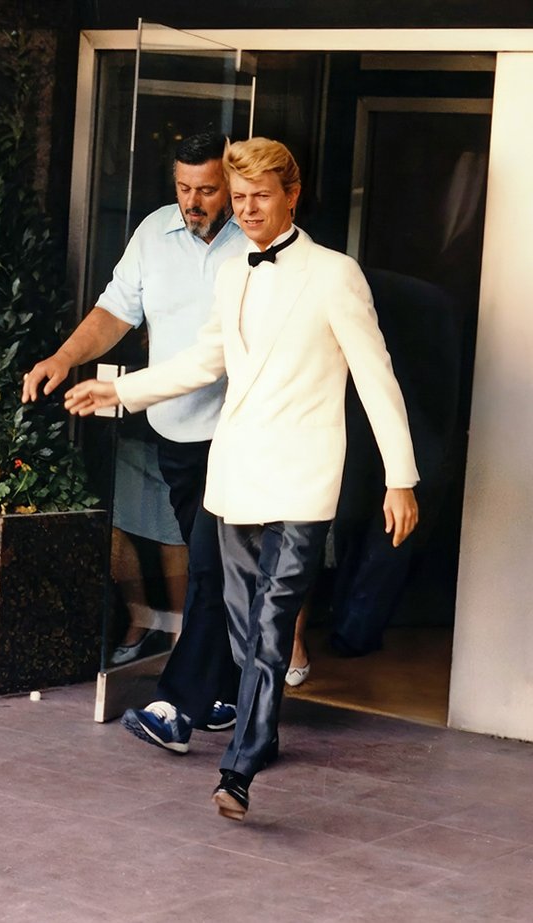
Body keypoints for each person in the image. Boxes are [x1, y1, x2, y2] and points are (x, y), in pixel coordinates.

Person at [63, 137, 420, 821]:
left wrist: (399, 478)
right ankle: (261, 726)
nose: (249, 209)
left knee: (270, 626)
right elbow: (201, 363)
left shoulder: (335, 274)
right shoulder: (232, 276)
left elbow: (378, 380)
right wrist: (120, 393)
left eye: (262, 196)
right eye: (242, 196)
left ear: (293, 195)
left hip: (302, 480)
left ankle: (240, 767)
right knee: (240, 629)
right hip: (233, 479)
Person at [22, 131, 246, 739]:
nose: (192, 201)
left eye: (205, 189)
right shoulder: (154, 232)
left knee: (208, 564)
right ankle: (226, 692)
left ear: (230, 185)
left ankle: (177, 703)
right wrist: (65, 358)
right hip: (175, 428)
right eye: (182, 188)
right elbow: (115, 311)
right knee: (216, 566)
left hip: (239, 433)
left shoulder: (255, 240)